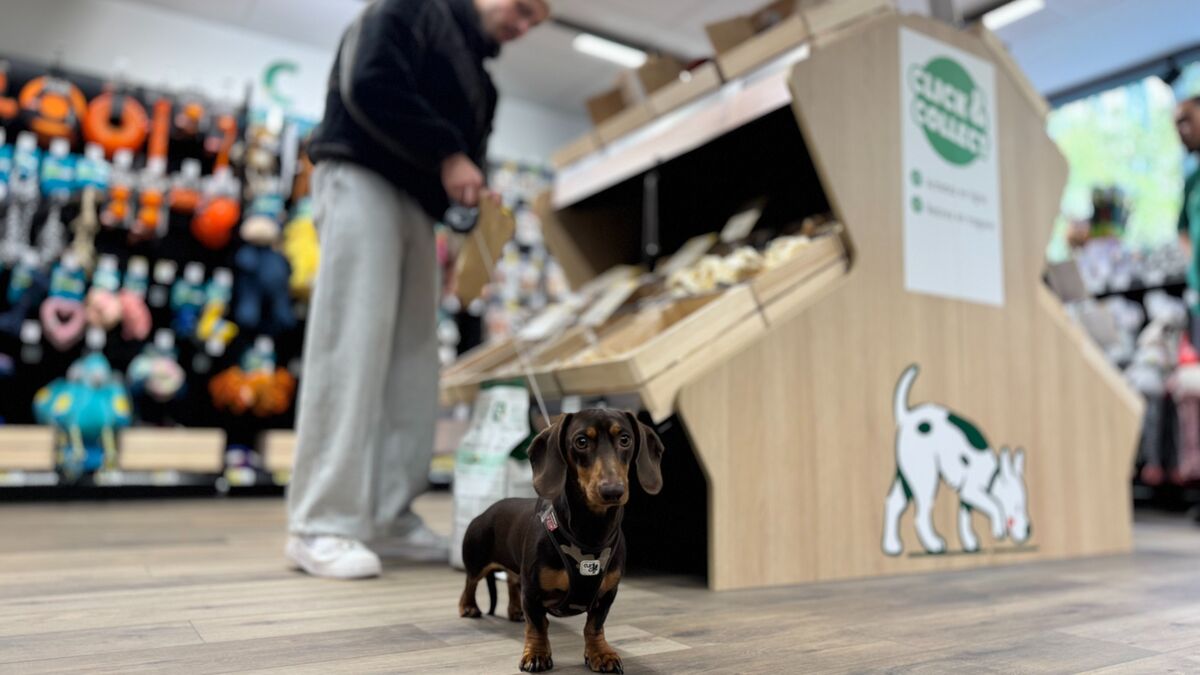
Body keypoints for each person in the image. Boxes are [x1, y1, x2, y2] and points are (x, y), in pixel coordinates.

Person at [285, 0, 550, 579]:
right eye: (523, 8)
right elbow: (369, 82)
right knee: (351, 343)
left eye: (538, 22)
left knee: (413, 364)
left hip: (419, 213)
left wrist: (467, 232)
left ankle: (388, 516)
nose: (525, 26)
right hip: (360, 177)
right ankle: (320, 520)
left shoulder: (484, 85)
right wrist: (449, 154)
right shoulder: (409, 8)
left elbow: (465, 173)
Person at [1176, 96, 1200, 346]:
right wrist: (1194, 260)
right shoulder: (1192, 181)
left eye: (1186, 121)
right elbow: (1181, 228)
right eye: (1177, 126)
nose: (1182, 131)